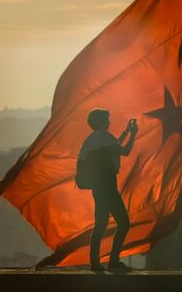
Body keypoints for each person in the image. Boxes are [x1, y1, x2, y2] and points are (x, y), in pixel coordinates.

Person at [78, 108, 138, 270]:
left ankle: (95, 263)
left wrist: (126, 132)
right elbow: (123, 151)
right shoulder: (102, 138)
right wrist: (133, 134)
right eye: (107, 119)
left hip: (99, 187)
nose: (110, 122)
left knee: (100, 225)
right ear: (101, 122)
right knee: (124, 223)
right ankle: (113, 262)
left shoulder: (94, 139)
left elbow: (114, 146)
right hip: (107, 187)